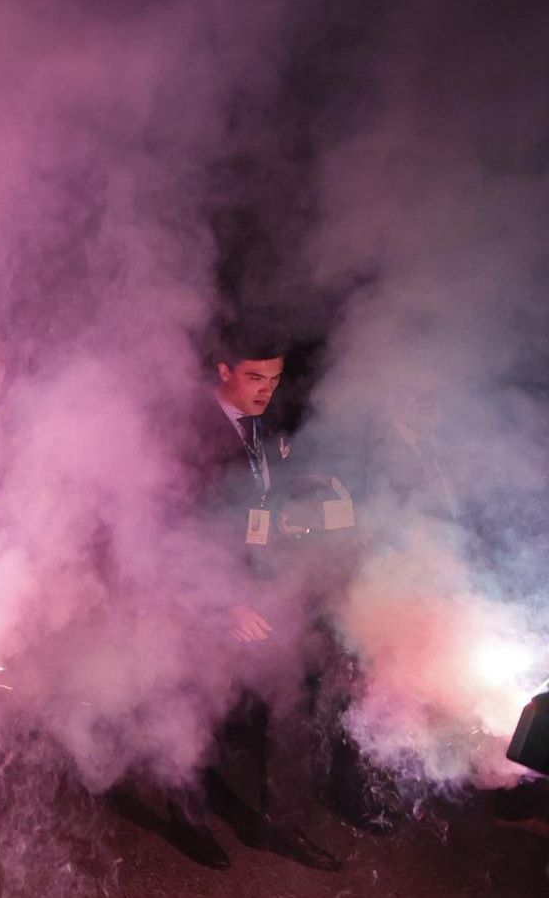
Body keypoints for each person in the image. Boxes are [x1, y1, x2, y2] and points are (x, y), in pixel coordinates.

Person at [158, 335, 341, 873]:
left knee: (282, 698)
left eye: (275, 379)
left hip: (261, 585)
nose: (267, 390)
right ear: (223, 371)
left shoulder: (269, 422)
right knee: (189, 704)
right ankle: (187, 819)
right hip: (198, 592)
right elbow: (170, 530)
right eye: (255, 378)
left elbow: (268, 495)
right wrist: (221, 604)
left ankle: (276, 821)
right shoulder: (186, 431)